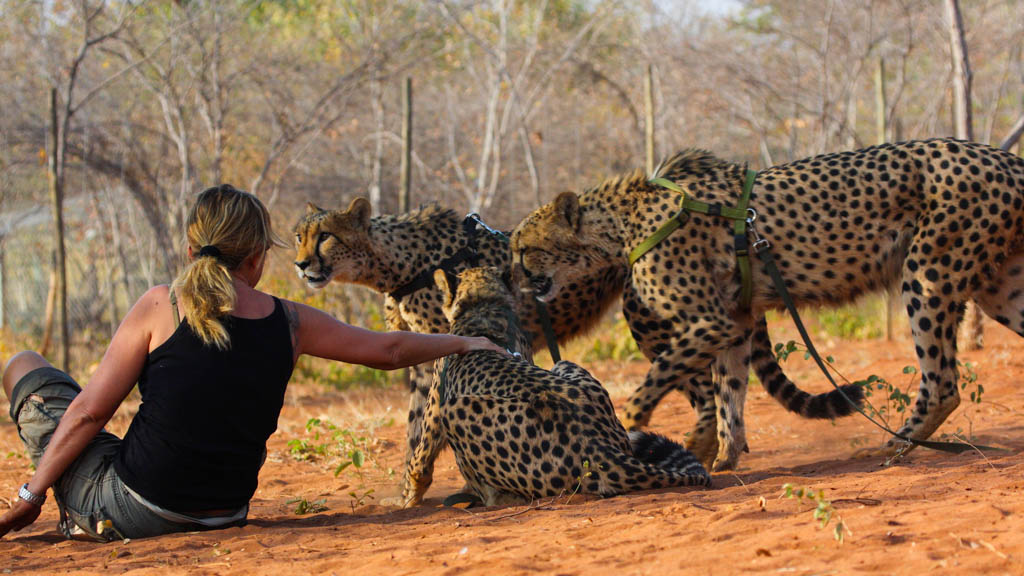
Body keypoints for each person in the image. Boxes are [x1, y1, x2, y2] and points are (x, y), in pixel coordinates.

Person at [0, 184, 506, 541]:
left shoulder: (161, 304)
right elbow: (389, 350)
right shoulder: (290, 321)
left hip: (137, 511)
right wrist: (465, 343)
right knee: (103, 441)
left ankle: (76, 508)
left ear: (191, 248)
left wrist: (31, 493)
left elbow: (89, 412)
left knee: (25, 366)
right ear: (258, 257)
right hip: (227, 515)